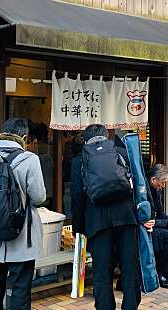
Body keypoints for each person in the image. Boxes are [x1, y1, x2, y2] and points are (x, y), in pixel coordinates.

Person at [0, 118, 46, 310]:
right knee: (21, 289)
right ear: (24, 137)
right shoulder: (30, 159)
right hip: (22, 237)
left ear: (1, 133)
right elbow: (38, 198)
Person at [70, 124, 141, 310]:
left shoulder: (79, 161)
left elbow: (77, 197)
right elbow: (139, 183)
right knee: (129, 266)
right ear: (106, 136)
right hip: (126, 218)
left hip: (97, 221)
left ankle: (104, 306)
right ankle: (131, 305)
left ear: (85, 140)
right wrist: (145, 214)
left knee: (102, 270)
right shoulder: (121, 153)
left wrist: (79, 228)